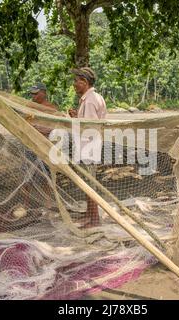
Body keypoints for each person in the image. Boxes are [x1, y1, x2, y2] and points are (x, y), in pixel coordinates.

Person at [70, 67, 107, 228]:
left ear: (84, 82)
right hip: (89, 147)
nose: (74, 84)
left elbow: (90, 128)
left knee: (89, 185)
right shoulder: (90, 98)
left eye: (76, 81)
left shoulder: (91, 100)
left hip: (88, 148)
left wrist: (76, 121)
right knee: (87, 183)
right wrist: (76, 117)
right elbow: (88, 122)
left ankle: (94, 220)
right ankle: (90, 215)